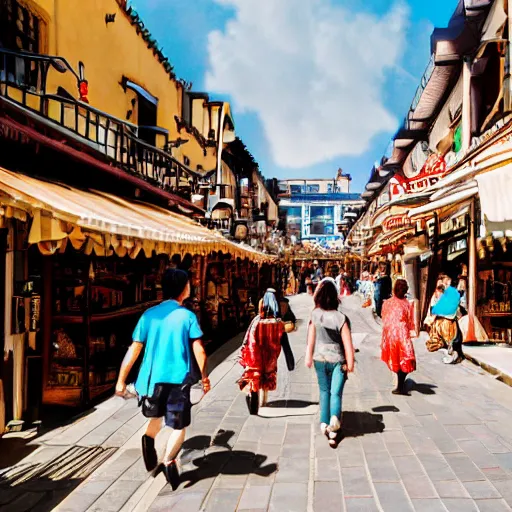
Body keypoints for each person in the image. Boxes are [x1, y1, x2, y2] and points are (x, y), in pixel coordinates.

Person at [115, 269, 210, 490]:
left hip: (151, 381)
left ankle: (148, 440)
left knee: (156, 417)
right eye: (188, 284)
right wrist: (204, 377)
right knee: (179, 425)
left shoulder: (149, 315)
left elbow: (134, 349)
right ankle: (169, 460)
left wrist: (121, 380)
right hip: (180, 380)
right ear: (183, 288)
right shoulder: (187, 316)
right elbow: (200, 352)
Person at [305, 279, 355, 446]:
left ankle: (324, 422)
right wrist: (351, 362)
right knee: (336, 392)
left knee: (324, 391)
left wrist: (308, 357)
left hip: (319, 358)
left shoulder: (315, 315)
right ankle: (334, 420)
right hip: (338, 360)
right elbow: (348, 344)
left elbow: (310, 340)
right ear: (335, 298)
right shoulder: (341, 318)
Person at [239, 289, 285, 414]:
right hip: (270, 355)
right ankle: (264, 400)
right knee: (267, 374)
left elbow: (248, 337)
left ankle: (256, 402)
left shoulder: (256, 322)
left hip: (255, 354)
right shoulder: (277, 323)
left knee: (255, 376)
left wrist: (244, 350)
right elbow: (281, 336)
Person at [381, 279, 416, 395]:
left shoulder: (387, 303)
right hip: (403, 334)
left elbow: (383, 317)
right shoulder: (407, 304)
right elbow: (411, 321)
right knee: (405, 359)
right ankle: (400, 385)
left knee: (394, 358)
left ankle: (399, 385)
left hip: (390, 334)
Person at [427, 274, 463, 364]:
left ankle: (453, 353)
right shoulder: (441, 292)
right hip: (444, 320)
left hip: (447, 319)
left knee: (453, 337)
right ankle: (452, 352)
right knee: (450, 337)